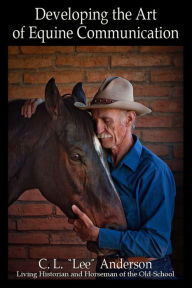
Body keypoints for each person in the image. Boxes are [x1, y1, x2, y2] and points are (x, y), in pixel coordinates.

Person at [21, 76, 176, 280]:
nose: (99, 130)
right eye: (95, 120)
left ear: (129, 119)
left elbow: (158, 243)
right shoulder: (99, 162)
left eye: (106, 121)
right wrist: (44, 109)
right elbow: (69, 124)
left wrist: (97, 236)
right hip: (105, 271)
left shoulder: (154, 172)